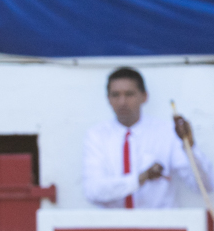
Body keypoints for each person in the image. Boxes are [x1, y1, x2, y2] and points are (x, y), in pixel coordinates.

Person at [83, 66, 213, 209]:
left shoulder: (167, 132)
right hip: (114, 222)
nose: (122, 102)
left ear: (144, 97)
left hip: (161, 222)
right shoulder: (97, 135)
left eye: (129, 94)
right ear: (108, 98)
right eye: (115, 95)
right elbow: (93, 191)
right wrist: (140, 178)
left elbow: (205, 186)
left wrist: (189, 147)